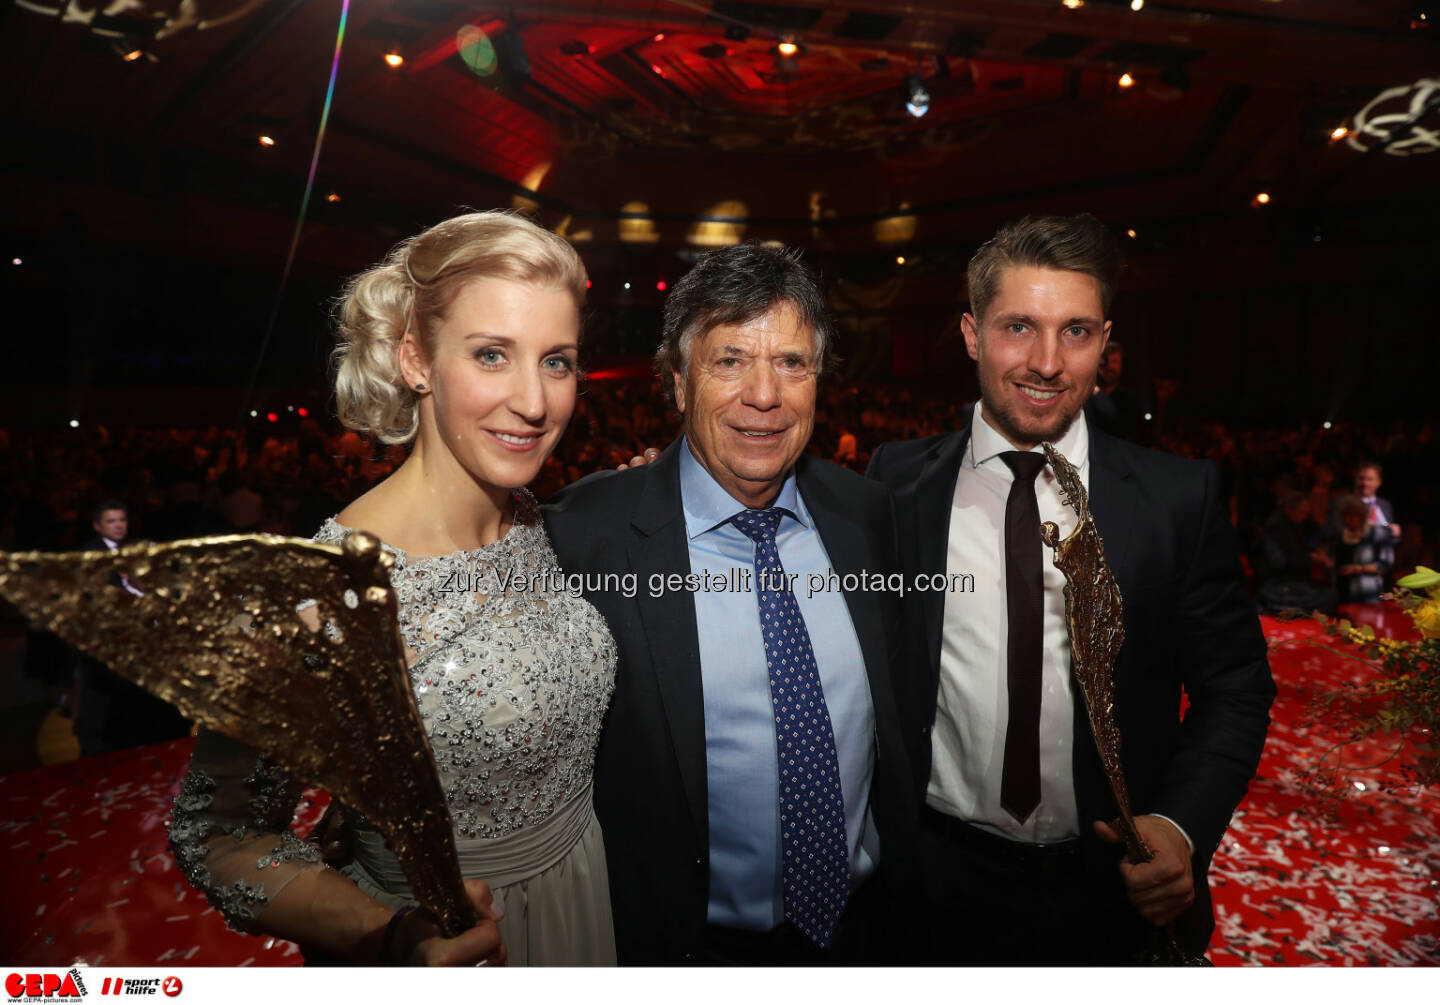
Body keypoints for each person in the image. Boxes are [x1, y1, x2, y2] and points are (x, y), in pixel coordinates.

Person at [168, 211, 618, 966]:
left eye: (557, 361)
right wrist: (386, 930)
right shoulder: (322, 595)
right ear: (416, 360)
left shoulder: (539, 521)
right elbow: (218, 836)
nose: (536, 402)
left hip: (585, 900)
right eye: (491, 354)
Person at [867, 213, 1274, 964]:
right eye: (1019, 326)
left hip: (1108, 890)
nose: (1047, 361)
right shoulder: (896, 483)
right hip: (930, 881)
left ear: (1105, 343)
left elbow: (1237, 686)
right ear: (970, 333)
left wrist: (1181, 826)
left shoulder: (1175, 499)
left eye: (1077, 331)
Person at [544, 244, 915, 964]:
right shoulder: (586, 538)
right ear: (679, 383)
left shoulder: (866, 513)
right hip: (683, 948)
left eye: (792, 363)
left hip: (866, 934)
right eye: (731, 361)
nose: (765, 395)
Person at [73, 499, 190, 755]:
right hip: (125, 708)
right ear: (125, 572)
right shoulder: (112, 603)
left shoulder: (172, 597)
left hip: (168, 709)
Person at [1255, 492, 1335, 615]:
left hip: (1292, 583)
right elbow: (1279, 563)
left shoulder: (1294, 525)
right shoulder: (1275, 528)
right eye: (1302, 513)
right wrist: (1310, 558)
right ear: (1289, 510)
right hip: (1277, 586)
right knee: (1327, 598)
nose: (1305, 517)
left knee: (1329, 596)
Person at [1332, 494, 1394, 603]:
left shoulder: (1376, 533)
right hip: (1343, 594)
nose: (1347, 520)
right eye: (1345, 516)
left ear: (1361, 516)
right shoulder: (1341, 534)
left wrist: (1357, 569)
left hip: (1368, 594)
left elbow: (1386, 564)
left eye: (1351, 516)